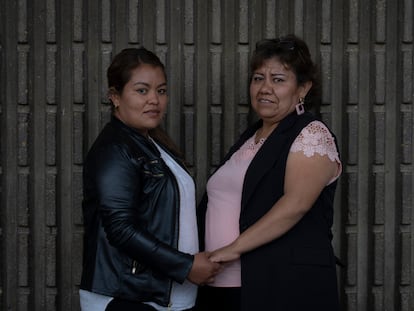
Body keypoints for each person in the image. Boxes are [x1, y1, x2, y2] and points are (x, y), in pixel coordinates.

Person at [196, 34, 342, 311]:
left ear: (303, 88)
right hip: (223, 285)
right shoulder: (251, 137)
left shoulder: (311, 133)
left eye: (278, 79)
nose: (264, 88)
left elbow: (295, 205)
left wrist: (231, 249)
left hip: (281, 286)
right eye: (258, 78)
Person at [79, 47, 221, 311]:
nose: (154, 100)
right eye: (142, 90)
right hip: (128, 297)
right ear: (115, 97)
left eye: (161, 91)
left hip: (165, 297)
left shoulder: (154, 145)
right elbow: (120, 229)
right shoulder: (115, 149)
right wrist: (185, 265)